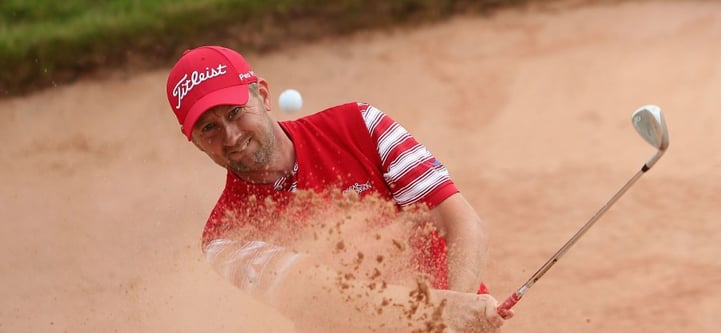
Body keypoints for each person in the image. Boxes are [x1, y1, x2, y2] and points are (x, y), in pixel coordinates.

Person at [165, 45, 513, 332]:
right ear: (194, 142)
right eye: (209, 128)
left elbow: (460, 221)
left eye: (236, 112)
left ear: (264, 96)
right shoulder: (226, 235)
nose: (232, 136)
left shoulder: (360, 124)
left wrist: (460, 306)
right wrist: (442, 312)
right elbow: (324, 295)